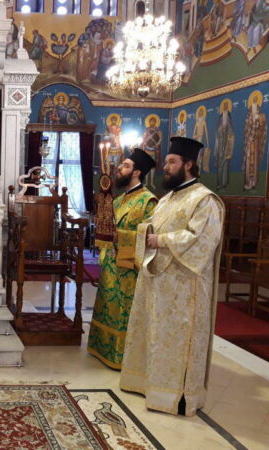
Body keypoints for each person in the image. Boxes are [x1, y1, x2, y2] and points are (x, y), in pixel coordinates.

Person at [120, 136, 225, 416]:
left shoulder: (204, 200)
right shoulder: (168, 198)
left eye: (171, 162)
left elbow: (202, 239)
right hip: (159, 282)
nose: (165, 167)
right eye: (166, 162)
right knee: (155, 335)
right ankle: (148, 384)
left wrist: (161, 241)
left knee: (177, 341)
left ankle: (176, 396)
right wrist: (146, 233)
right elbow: (151, 227)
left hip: (184, 288)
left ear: (188, 164)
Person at [87, 149, 157, 369]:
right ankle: (101, 349)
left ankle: (120, 355)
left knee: (121, 311)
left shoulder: (148, 201)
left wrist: (120, 235)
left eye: (125, 166)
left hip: (128, 268)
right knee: (106, 306)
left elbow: (150, 237)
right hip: (110, 263)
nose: (119, 168)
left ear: (137, 172)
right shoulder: (118, 200)